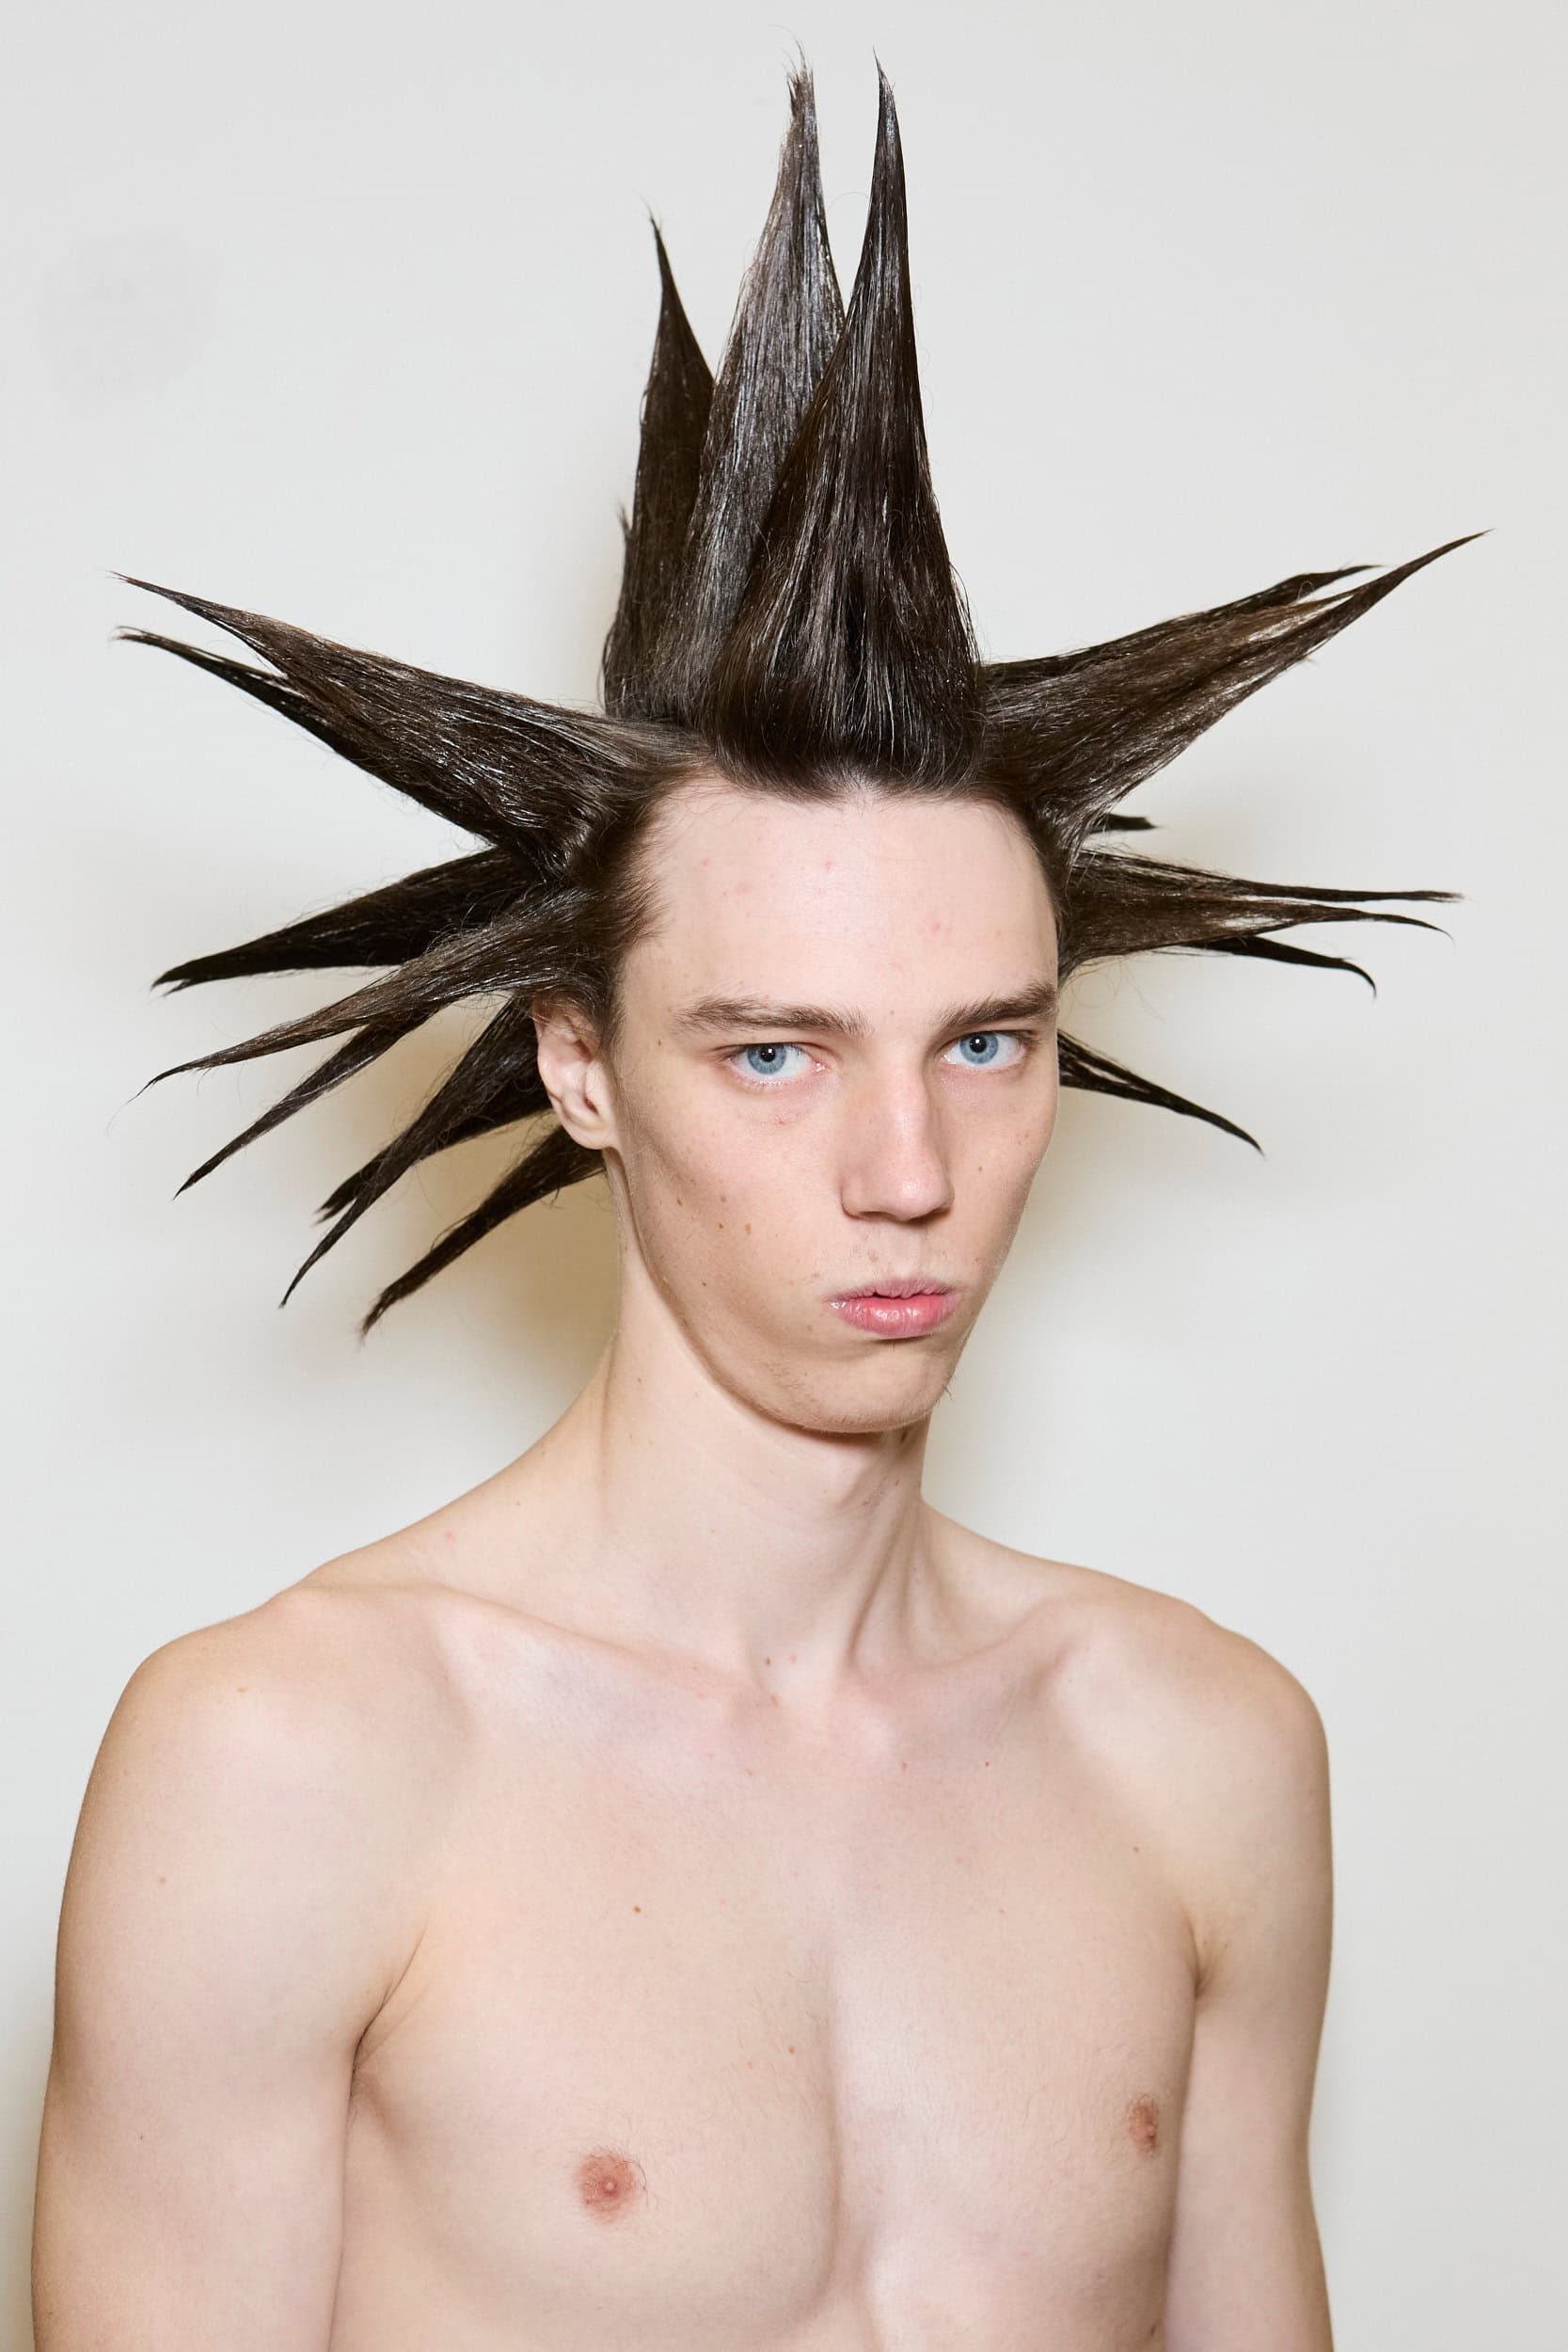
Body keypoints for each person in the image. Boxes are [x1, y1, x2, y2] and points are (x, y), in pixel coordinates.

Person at [32, 58, 1470, 2352]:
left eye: (983, 1043)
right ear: (578, 1065)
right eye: (774, 1051)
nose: (908, 1173)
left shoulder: (1202, 1753)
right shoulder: (293, 1761)